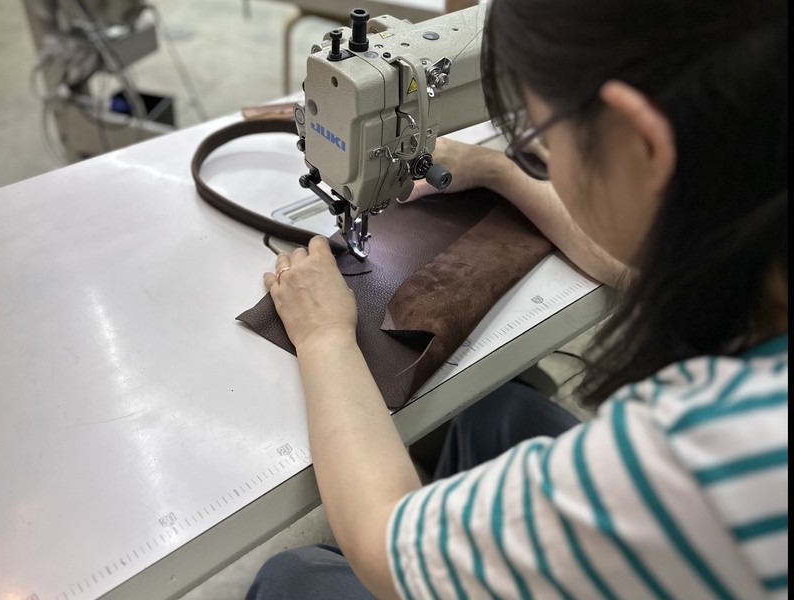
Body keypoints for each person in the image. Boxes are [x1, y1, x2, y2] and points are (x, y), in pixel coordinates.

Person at [247, 0, 788, 597]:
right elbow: (639, 269)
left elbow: (382, 542)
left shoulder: (693, 457)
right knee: (494, 414)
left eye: (540, 138)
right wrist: (502, 171)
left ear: (642, 144)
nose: (539, 152)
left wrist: (325, 338)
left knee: (293, 578)